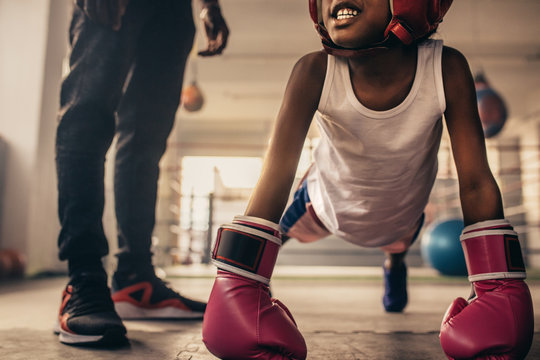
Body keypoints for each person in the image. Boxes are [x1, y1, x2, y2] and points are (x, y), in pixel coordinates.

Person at [201, 0, 534, 359]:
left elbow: (475, 181)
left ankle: (394, 263)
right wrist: (241, 282)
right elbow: (277, 172)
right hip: (322, 205)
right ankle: (265, 279)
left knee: (398, 244)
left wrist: (496, 287)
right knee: (277, 232)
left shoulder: (445, 68)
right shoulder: (315, 70)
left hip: (402, 215)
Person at [54, 0, 229, 346]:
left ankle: (136, 279)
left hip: (174, 10)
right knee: (87, 116)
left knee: (146, 140)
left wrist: (208, 3)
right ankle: (84, 276)